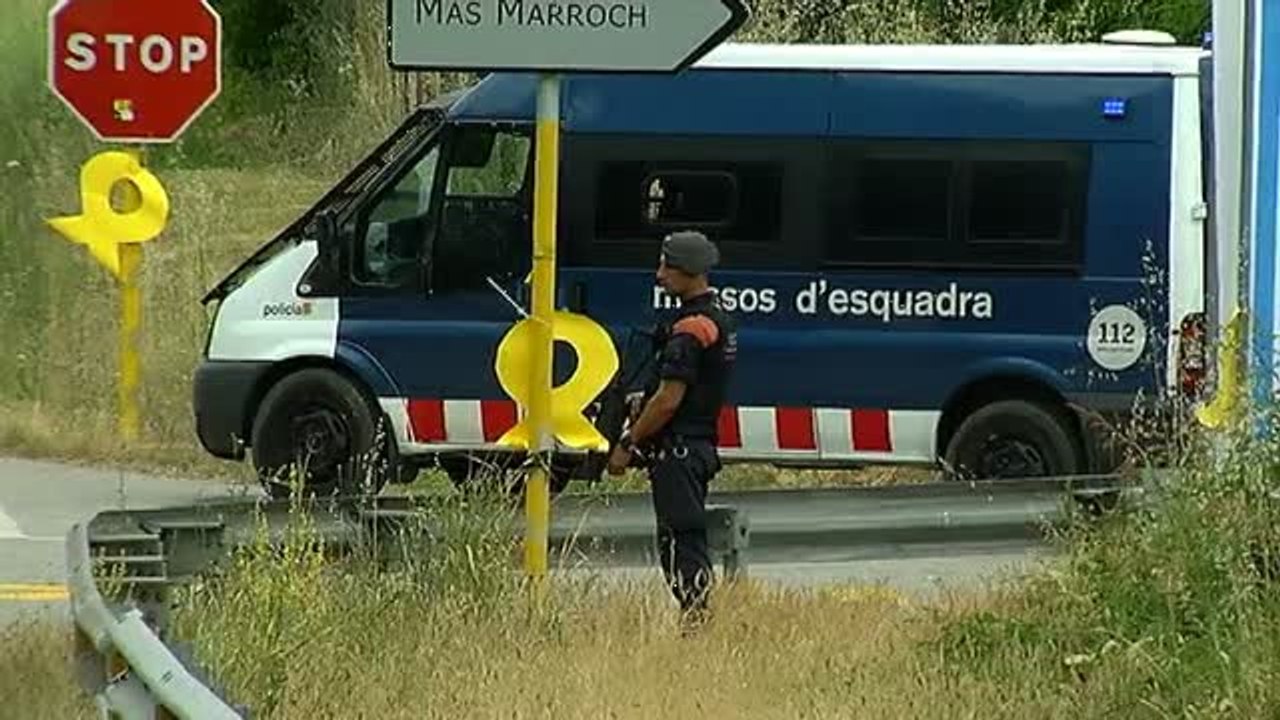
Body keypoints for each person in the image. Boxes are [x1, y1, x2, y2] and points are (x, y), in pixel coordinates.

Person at [607, 230, 737, 629]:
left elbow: (668, 400)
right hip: (696, 447)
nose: (659, 274)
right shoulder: (716, 318)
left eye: (667, 266)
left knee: (681, 541)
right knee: (684, 537)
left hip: (679, 451)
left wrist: (629, 440)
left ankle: (695, 624)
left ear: (689, 270)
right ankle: (696, 620)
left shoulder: (691, 330)